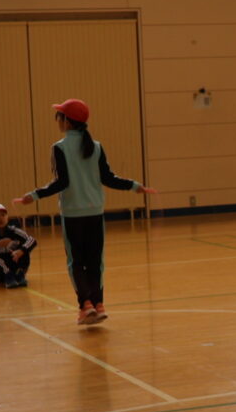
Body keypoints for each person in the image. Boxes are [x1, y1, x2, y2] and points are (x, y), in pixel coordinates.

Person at [13, 98, 157, 326]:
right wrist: (134, 186)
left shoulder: (59, 148)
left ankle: (85, 306)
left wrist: (34, 195)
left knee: (76, 262)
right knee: (95, 262)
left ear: (67, 122)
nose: (57, 120)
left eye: (59, 116)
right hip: (94, 213)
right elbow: (108, 178)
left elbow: (62, 183)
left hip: (72, 215)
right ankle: (98, 305)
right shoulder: (96, 146)